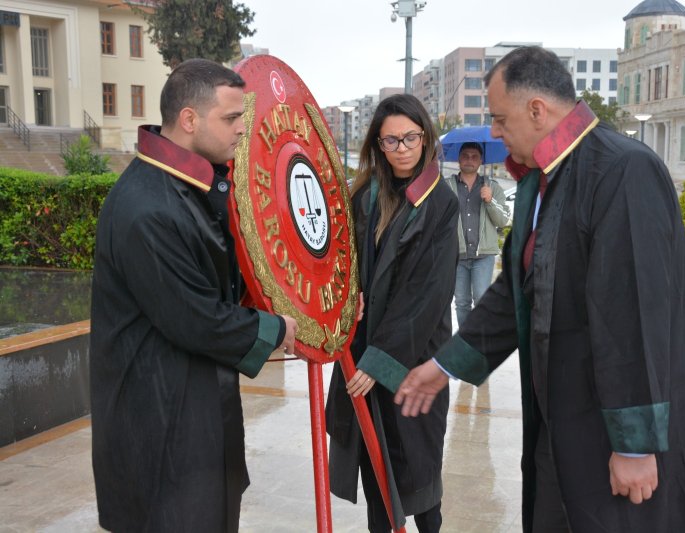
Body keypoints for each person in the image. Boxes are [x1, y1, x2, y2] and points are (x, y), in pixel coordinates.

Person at [394, 46, 685, 532]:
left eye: (498, 118)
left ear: (537, 110)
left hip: (619, 430)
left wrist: (633, 444)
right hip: (567, 416)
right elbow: (515, 290)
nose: (494, 131)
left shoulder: (622, 170)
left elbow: (633, 310)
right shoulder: (545, 180)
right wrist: (445, 363)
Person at [90, 58, 298, 532]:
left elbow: (232, 274)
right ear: (188, 119)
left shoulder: (191, 187)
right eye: (230, 118)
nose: (242, 130)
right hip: (158, 427)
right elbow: (196, 318)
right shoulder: (147, 207)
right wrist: (277, 328)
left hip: (195, 414)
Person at [324, 93, 458, 533]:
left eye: (410, 138)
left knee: (418, 469)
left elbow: (427, 294)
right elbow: (338, 259)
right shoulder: (364, 195)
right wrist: (347, 296)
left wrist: (382, 359)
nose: (401, 150)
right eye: (390, 141)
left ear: (425, 137)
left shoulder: (439, 202)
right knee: (375, 465)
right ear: (377, 145)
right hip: (363, 348)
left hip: (415, 358)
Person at [444, 142, 510, 328]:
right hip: (457, 255)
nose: (469, 160)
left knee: (481, 300)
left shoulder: (492, 187)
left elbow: (503, 220)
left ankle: (481, 340)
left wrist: (489, 200)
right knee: (462, 303)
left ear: (481, 160)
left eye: (474, 156)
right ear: (459, 158)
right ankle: (465, 342)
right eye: (465, 155)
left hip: (484, 255)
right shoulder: (447, 186)